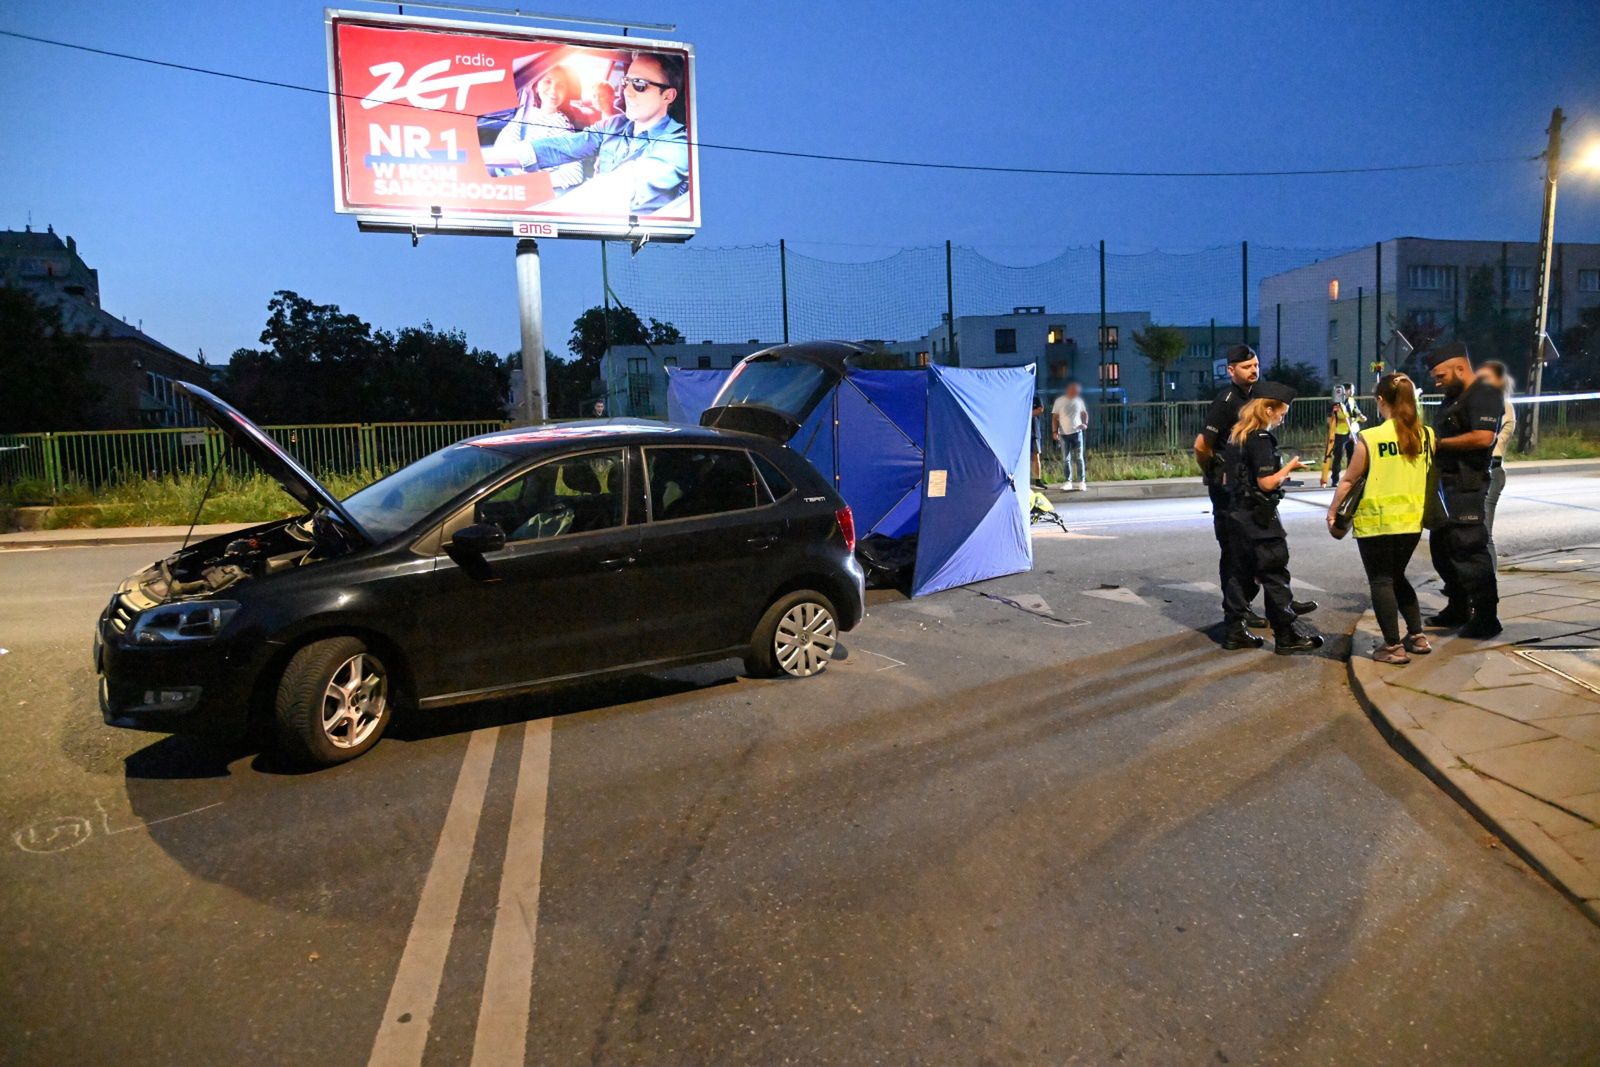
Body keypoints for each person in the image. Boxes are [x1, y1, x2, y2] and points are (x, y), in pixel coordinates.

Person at [1193, 345, 1314, 648]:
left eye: (1256, 364)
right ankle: (1246, 613)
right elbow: (1201, 445)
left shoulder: (1257, 396)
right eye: (1246, 366)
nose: (1254, 370)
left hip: (1245, 490)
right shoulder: (1227, 401)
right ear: (1230, 370)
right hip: (1232, 492)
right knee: (1238, 557)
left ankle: (1255, 610)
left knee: (1248, 558)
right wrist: (1214, 474)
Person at [481, 51, 689, 216]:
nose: (627, 91)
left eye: (640, 85)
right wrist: (482, 158)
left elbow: (618, 190)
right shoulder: (615, 125)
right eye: (626, 82)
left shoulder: (679, 145)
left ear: (668, 95)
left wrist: (536, 216)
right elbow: (563, 147)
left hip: (635, 238)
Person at [1327, 373, 1435, 663]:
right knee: (1397, 576)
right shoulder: (1426, 436)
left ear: (1380, 401)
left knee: (1381, 581)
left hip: (1377, 524)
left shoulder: (1371, 438)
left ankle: (1391, 647)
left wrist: (1333, 510)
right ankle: (1417, 636)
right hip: (1411, 523)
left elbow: (1349, 480)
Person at [1224, 380, 1324, 655]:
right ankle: (1286, 635)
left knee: (1239, 576)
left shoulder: (1236, 436)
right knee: (1275, 575)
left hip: (1236, 516)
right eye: (1282, 412)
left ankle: (1234, 631)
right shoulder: (1260, 438)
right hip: (1260, 520)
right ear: (1268, 410)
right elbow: (1267, 483)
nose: (1282, 417)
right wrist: (1289, 468)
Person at [1423, 340, 1503, 638]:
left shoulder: (1483, 393)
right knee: (1443, 551)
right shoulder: (1452, 397)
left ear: (1460, 368)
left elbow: (1483, 438)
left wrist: (1438, 444)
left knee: (1469, 551)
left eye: (1441, 376)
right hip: (1447, 487)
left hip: (1467, 485)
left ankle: (1486, 617)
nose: (1437, 381)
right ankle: (1457, 608)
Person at [488, 63, 583, 187]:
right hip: (507, 175)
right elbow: (503, 143)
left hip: (528, 190)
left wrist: (529, 181)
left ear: (566, 93)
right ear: (537, 86)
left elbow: (574, 174)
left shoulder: (561, 125)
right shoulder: (526, 112)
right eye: (548, 81)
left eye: (560, 86)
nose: (553, 90)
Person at [1477, 360, 1517, 562]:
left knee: (1485, 535)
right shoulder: (1486, 405)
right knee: (1476, 534)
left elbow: (1492, 442)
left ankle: (1489, 583)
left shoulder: (1504, 406)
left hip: (1493, 470)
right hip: (1484, 471)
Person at [1319, 383, 1366, 487]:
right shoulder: (1334, 403)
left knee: (1352, 456)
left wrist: (1360, 416)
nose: (1353, 392)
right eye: (1352, 389)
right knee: (1338, 457)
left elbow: (1356, 412)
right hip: (1339, 433)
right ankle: (1335, 480)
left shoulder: (1352, 401)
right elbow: (1329, 419)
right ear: (1347, 390)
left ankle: (1351, 478)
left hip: (1352, 432)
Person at [1052, 379, 1088, 491]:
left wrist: (1085, 424)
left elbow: (1084, 413)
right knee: (1066, 459)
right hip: (1063, 434)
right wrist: (1054, 431)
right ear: (1068, 390)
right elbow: (1054, 418)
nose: (1075, 392)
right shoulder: (1059, 401)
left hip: (1077, 432)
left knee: (1079, 458)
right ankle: (1068, 481)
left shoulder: (1079, 401)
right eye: (1074, 390)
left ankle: (1081, 481)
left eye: (1077, 391)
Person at [1030, 396, 1047, 488]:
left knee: (1035, 456)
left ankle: (1038, 480)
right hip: (1021, 433)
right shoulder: (1019, 396)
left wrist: (1027, 414)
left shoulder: (1036, 398)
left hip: (1034, 432)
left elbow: (1040, 409)